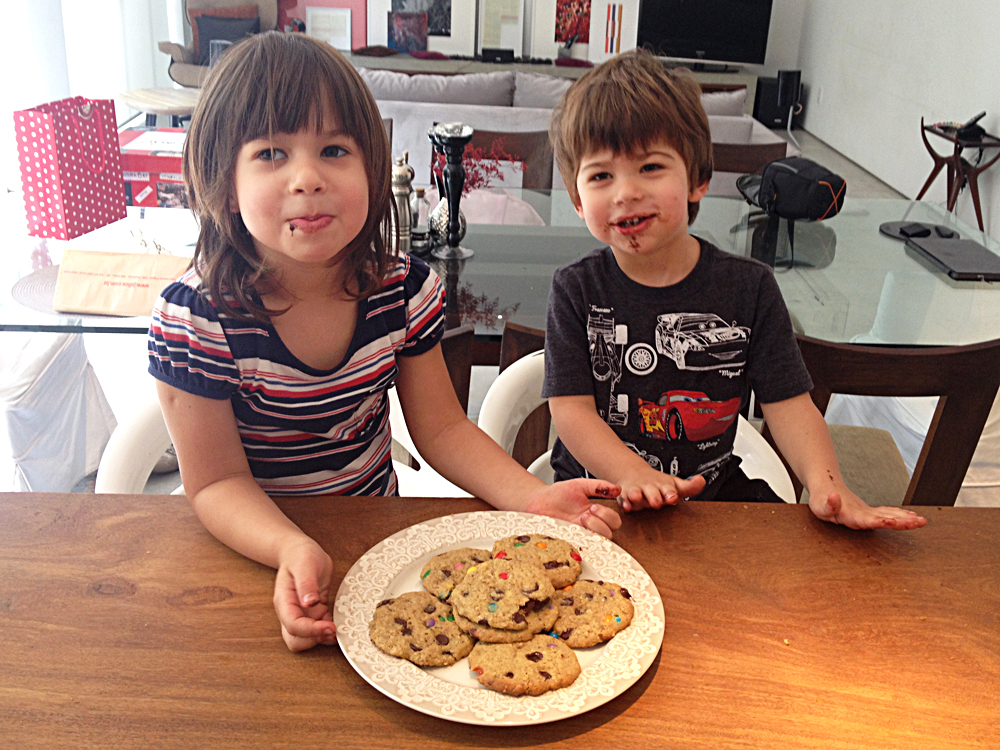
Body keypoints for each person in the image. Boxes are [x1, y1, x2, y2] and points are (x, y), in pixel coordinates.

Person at [147, 32, 621, 653]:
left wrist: (530, 498)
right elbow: (214, 484)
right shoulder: (195, 320)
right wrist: (288, 544)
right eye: (270, 154)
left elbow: (443, 430)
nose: (308, 178)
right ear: (221, 179)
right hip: (253, 549)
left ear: (374, 168)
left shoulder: (401, 289)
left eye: (334, 149)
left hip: (375, 539)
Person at [543, 49, 926, 532]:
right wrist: (633, 474)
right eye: (601, 176)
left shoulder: (749, 288)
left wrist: (827, 482)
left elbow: (788, 404)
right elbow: (572, 413)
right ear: (578, 200)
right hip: (599, 494)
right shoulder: (575, 288)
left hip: (710, 494)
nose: (624, 193)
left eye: (650, 168)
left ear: (698, 180)